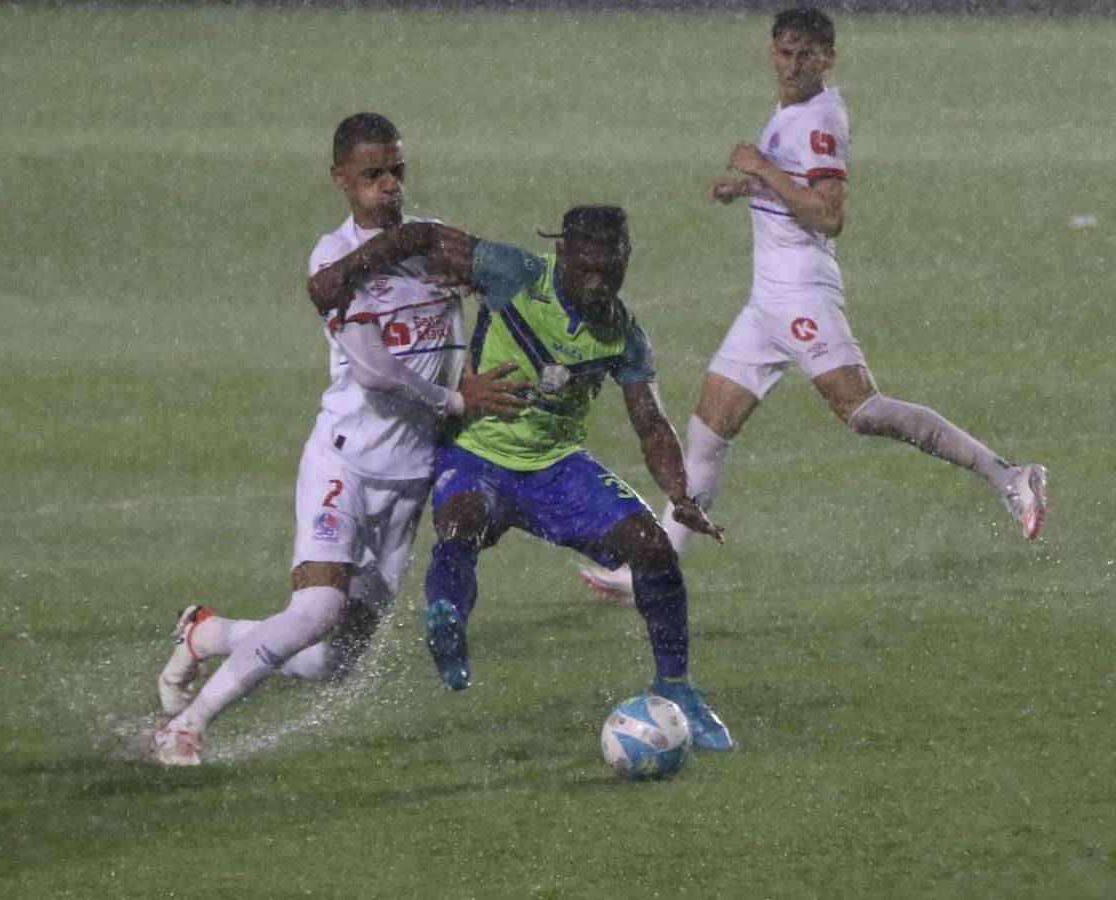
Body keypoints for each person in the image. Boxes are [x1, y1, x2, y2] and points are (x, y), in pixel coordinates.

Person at [580, 7, 1048, 600]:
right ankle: (650, 572)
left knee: (864, 413)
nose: (794, 65)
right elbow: (796, 188)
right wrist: (747, 186)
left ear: (829, 57)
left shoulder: (819, 119)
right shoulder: (794, 111)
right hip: (766, 306)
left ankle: (1009, 475)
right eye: (784, 52)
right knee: (706, 435)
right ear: (770, 53)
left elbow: (828, 216)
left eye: (807, 54)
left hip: (801, 296)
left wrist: (761, 167)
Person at [151, 112, 527, 766]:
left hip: (408, 480)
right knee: (318, 608)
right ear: (341, 180)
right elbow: (376, 370)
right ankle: (187, 726)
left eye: (397, 172)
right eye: (372, 174)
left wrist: (483, 282)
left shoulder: (434, 247)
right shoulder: (336, 260)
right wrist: (454, 399)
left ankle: (208, 633)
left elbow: (513, 280)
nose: (388, 186)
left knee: (329, 661)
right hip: (345, 463)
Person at [372, 205, 736, 752]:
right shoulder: (513, 273)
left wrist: (679, 495)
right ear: (562, 253)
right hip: (477, 453)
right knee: (460, 524)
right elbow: (424, 235)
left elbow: (650, 422)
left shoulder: (622, 334)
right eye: (587, 267)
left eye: (611, 270)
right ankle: (446, 621)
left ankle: (677, 688)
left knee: (653, 547)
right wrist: (339, 274)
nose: (599, 282)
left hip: (556, 467)